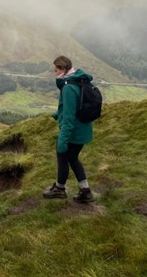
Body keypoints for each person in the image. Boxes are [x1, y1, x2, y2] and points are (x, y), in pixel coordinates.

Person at [43, 56, 95, 203]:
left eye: (56, 70)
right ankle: (85, 191)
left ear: (63, 70)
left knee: (63, 156)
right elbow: (73, 107)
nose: (55, 73)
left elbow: (69, 118)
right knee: (72, 158)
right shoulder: (78, 80)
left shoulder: (68, 88)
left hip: (75, 132)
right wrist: (57, 114)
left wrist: (63, 140)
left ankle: (60, 189)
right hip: (84, 128)